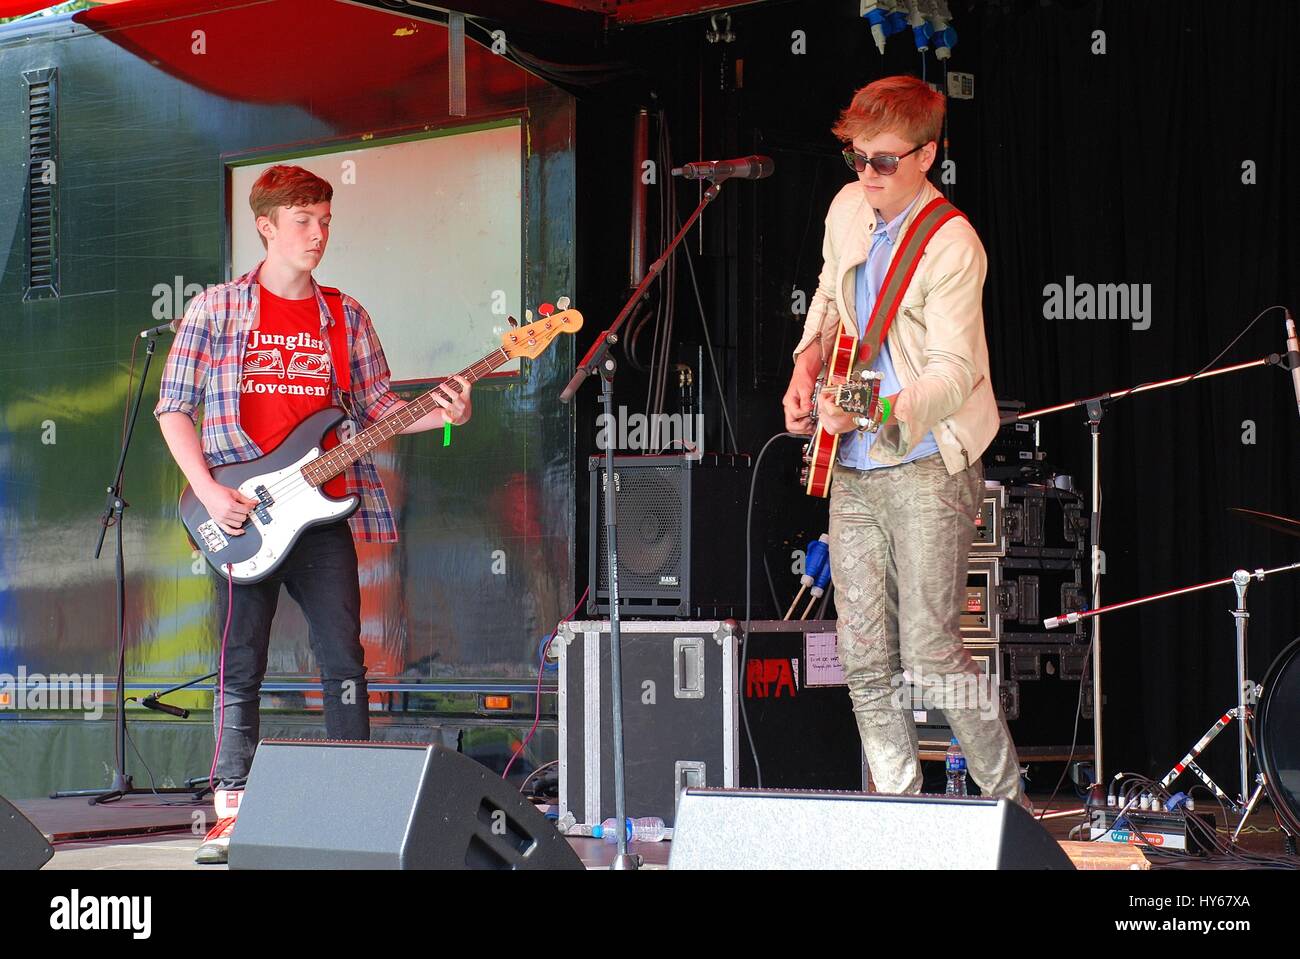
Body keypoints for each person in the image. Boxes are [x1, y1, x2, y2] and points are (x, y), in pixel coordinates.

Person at [155, 165, 472, 863]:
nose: (319, 234)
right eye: (304, 220)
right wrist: (208, 491)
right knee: (242, 664)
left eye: (326, 220)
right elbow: (172, 407)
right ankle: (232, 807)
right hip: (238, 513)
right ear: (265, 225)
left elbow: (380, 409)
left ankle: (355, 804)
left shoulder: (346, 314)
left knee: (344, 659)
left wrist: (444, 413)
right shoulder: (215, 309)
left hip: (322, 517)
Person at [782, 76, 1029, 809]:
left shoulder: (953, 244)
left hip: (925, 465)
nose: (867, 175)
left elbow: (956, 373)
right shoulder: (846, 209)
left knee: (930, 650)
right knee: (861, 654)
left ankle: (1009, 807)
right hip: (854, 468)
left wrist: (868, 407)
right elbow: (830, 295)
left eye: (884, 161)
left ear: (928, 155)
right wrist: (804, 363)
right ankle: (897, 806)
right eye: (857, 158)